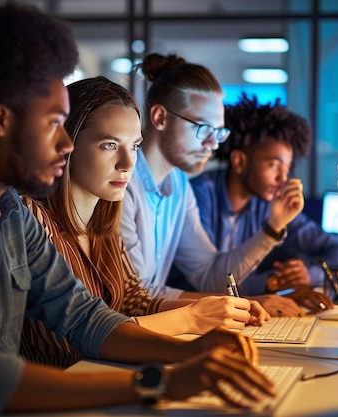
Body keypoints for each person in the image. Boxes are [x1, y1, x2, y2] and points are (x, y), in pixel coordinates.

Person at [0, 3, 276, 416]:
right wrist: (159, 382)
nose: (65, 143)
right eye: (55, 124)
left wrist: (192, 353)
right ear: (1, 121)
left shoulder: (12, 213)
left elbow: (81, 316)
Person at [18, 76, 269, 368]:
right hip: (60, 393)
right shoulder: (31, 218)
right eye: (109, 145)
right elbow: (70, 342)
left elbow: (135, 301)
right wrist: (190, 318)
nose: (127, 163)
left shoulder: (104, 219)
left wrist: (218, 310)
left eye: (135, 146)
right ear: (66, 143)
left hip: (105, 378)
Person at [120, 52, 303, 317]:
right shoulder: (121, 182)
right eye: (203, 128)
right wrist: (243, 303)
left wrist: (272, 229)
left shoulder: (179, 185)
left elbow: (208, 274)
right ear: (160, 117)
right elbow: (136, 295)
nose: (212, 145)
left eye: (219, 132)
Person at [189, 94, 338, 312]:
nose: (283, 179)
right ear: (239, 161)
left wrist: (307, 274)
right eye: (274, 165)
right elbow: (207, 280)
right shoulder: (198, 197)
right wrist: (268, 283)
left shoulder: (268, 205)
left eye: (287, 168)